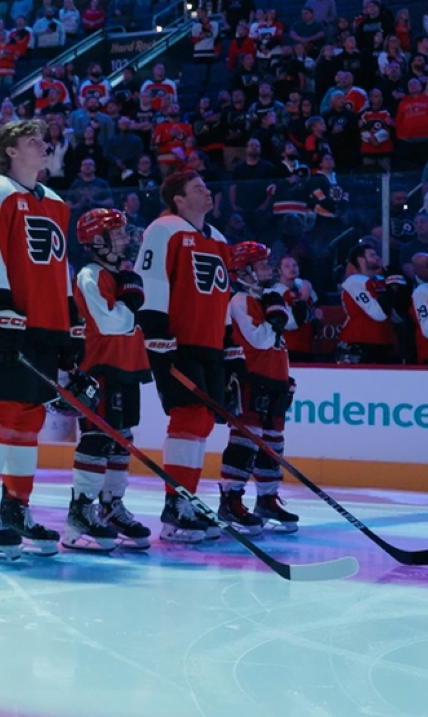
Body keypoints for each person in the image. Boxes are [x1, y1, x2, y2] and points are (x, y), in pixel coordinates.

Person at [0, 119, 74, 559]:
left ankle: (14, 509)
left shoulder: (57, 203)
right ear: (9, 150)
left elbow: (60, 267)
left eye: (44, 139)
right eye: (32, 141)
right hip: (3, 324)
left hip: (44, 327)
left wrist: (69, 328)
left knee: (29, 423)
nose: (43, 145)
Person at [136, 172, 232, 544]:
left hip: (210, 345)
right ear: (177, 198)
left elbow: (223, 294)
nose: (207, 191)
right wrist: (157, 332)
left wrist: (229, 342)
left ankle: (186, 500)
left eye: (207, 186)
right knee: (188, 416)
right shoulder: (164, 229)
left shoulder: (219, 238)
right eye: (198, 188)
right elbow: (153, 279)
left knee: (203, 421)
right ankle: (175, 508)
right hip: (176, 341)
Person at [63, 208, 152, 552]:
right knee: (99, 438)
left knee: (122, 439)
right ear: (96, 240)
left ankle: (111, 505)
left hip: (128, 364)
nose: (125, 238)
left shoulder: (121, 275)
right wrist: (130, 300)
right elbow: (112, 323)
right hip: (101, 365)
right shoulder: (91, 275)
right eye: (116, 232)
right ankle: (80, 511)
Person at [220, 242, 299, 536]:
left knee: (272, 443)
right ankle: (231, 500)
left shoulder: (266, 297)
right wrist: (274, 317)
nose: (269, 269)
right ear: (245, 271)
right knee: (245, 442)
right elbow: (260, 339)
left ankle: (266, 499)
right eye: (262, 264)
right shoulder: (240, 300)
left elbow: (289, 328)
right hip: (252, 379)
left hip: (276, 379)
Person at [335, 241, 398, 364]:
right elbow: (377, 313)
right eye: (372, 255)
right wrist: (392, 288)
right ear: (361, 260)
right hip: (360, 342)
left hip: (384, 340)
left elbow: (396, 315)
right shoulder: (355, 281)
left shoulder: (381, 281)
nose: (377, 258)